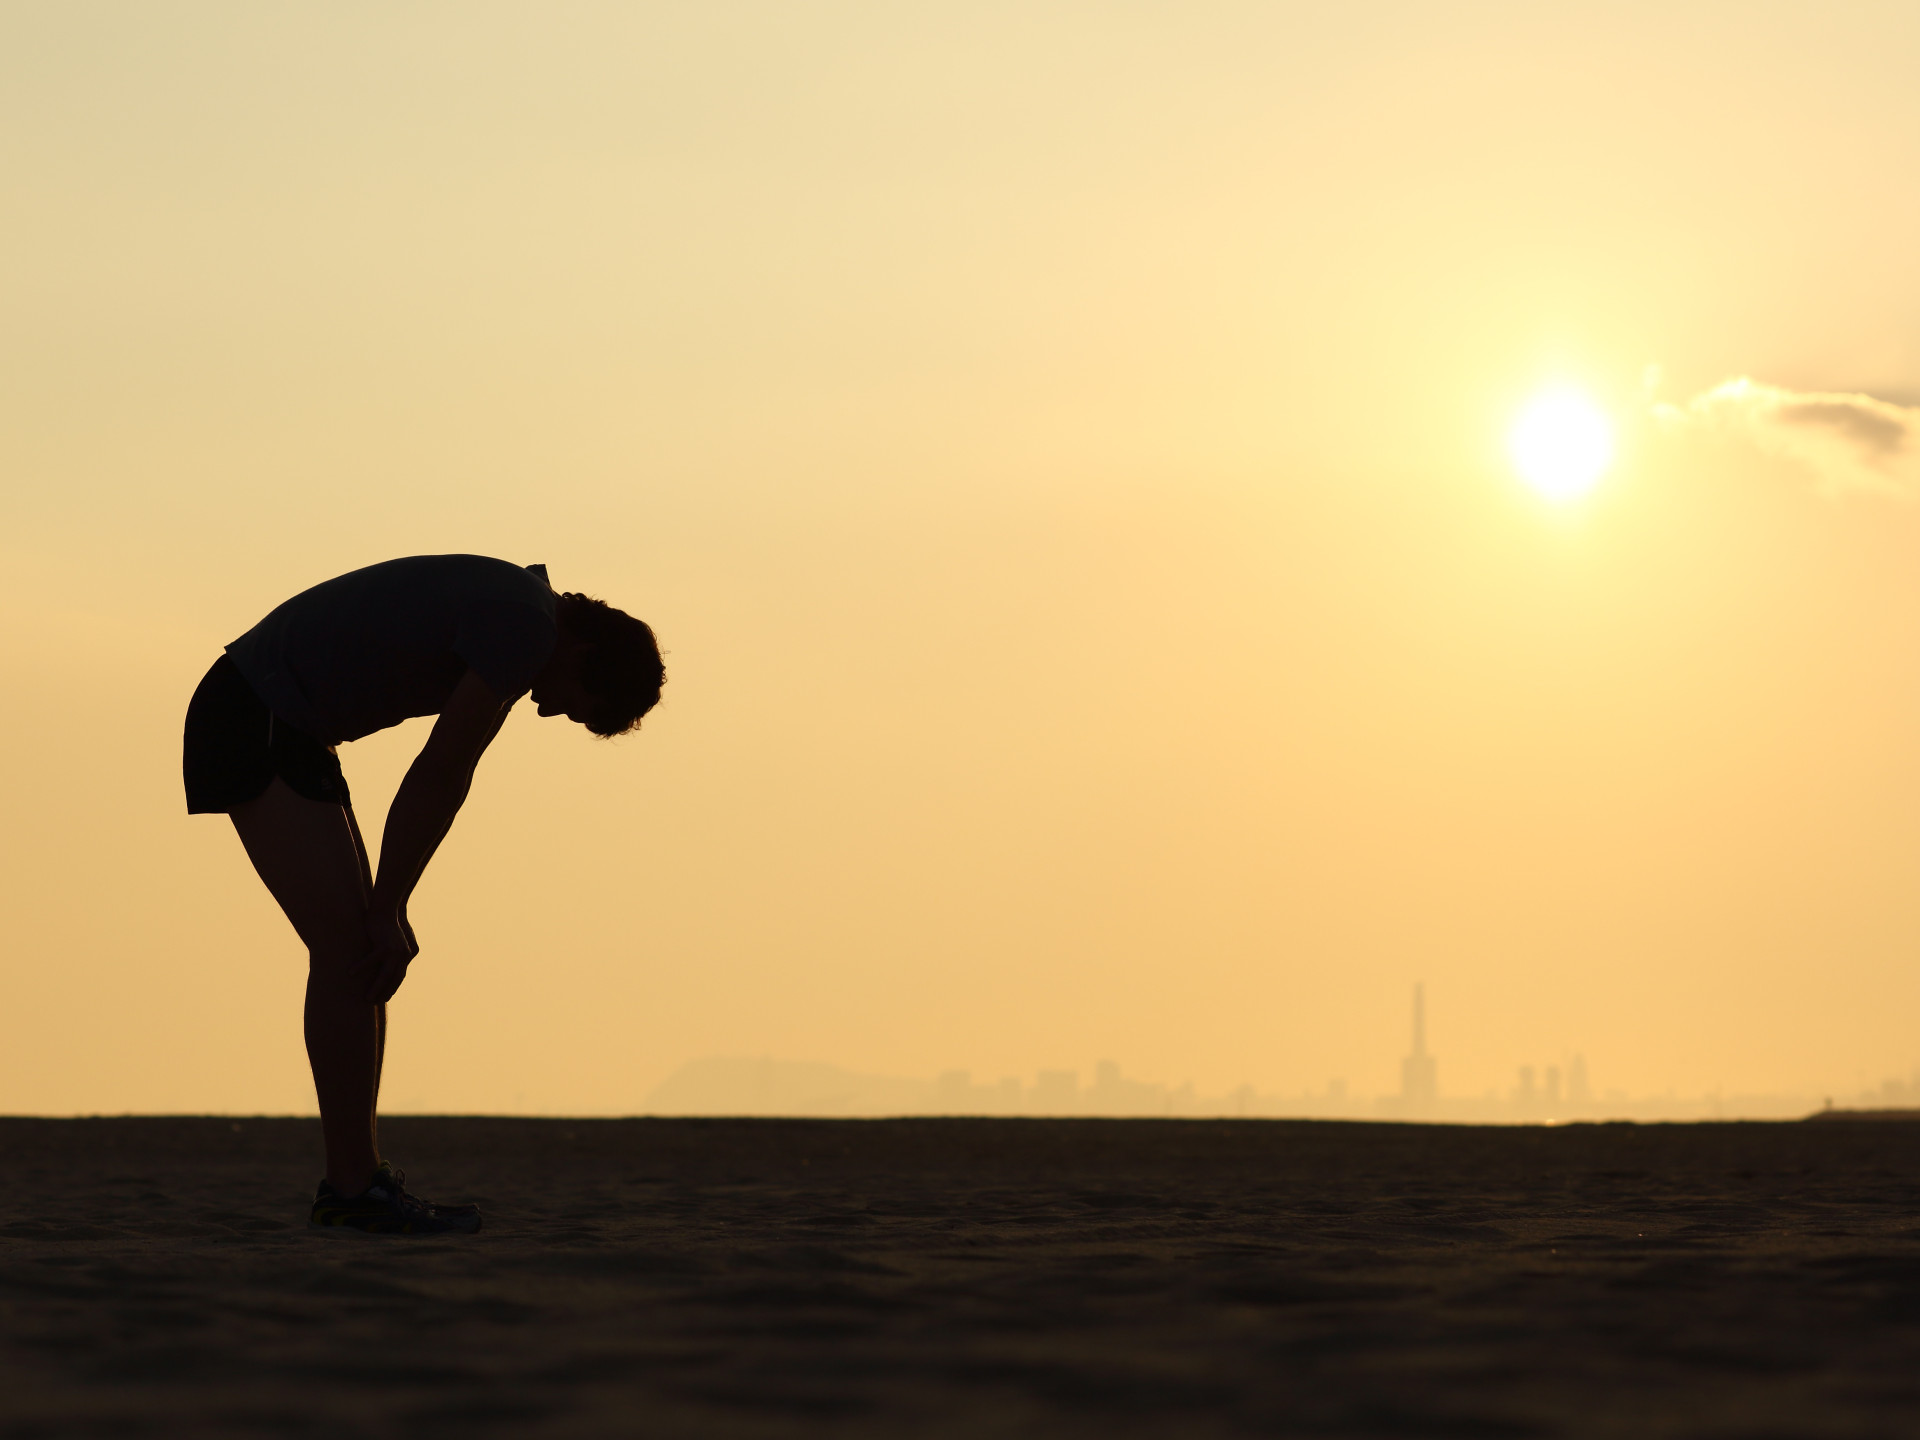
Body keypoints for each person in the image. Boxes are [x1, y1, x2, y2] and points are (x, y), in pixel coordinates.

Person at [182, 555, 664, 1234]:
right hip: (252, 713)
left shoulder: (524, 616)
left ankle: (359, 1181)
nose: (549, 709)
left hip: (280, 724)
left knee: (359, 958)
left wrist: (390, 903)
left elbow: (448, 776)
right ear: (584, 650)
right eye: (573, 705)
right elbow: (441, 770)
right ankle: (351, 1191)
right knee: (351, 950)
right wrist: (389, 905)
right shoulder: (525, 627)